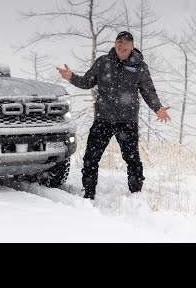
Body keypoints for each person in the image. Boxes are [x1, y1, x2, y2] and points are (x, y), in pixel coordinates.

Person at [56, 31, 171, 200]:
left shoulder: (139, 66)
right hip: (103, 120)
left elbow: (148, 91)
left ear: (132, 46)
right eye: (119, 41)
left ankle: (136, 195)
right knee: (90, 158)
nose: (122, 44)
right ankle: (88, 194)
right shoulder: (103, 62)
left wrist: (158, 108)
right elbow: (87, 82)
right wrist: (71, 77)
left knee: (132, 160)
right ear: (115, 43)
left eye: (126, 42)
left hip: (127, 122)